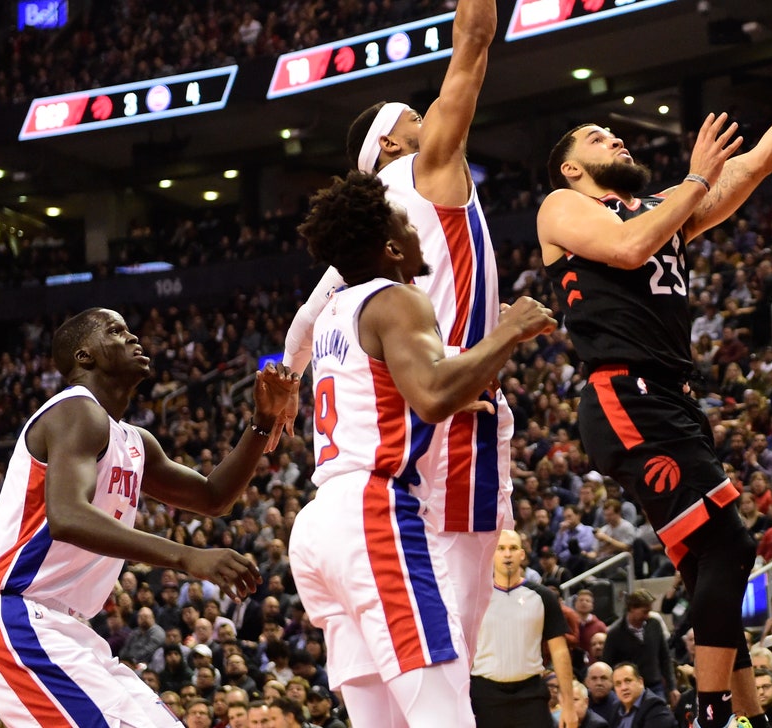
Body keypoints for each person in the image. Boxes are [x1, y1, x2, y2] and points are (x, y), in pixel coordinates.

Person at [536, 26, 772, 728]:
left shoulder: (664, 211)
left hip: (668, 401)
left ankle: (749, 717)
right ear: (571, 168)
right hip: (622, 396)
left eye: (615, 135)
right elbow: (629, 250)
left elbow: (751, 168)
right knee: (729, 545)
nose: (615, 140)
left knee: (709, 563)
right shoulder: (564, 208)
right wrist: (692, 180)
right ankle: (715, 715)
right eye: (597, 138)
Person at [279, 0, 514, 668]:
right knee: (449, 650)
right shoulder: (424, 171)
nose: (427, 115)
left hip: (387, 441)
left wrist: (283, 392)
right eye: (414, 116)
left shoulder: (360, 244)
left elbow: (299, 329)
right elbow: (472, 38)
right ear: (388, 143)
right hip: (455, 408)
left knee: (411, 635)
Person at [285, 172, 556, 728]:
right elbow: (430, 394)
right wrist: (508, 332)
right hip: (375, 515)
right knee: (445, 713)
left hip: (320, 524)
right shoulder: (396, 298)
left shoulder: (337, 309)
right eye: (408, 224)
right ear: (390, 248)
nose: (418, 231)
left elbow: (392, 387)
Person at [0, 308, 294, 726]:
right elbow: (67, 516)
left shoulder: (134, 440)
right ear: (85, 356)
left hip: (68, 628)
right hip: (14, 613)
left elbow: (214, 497)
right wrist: (187, 557)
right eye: (116, 331)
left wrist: (262, 421)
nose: (133, 338)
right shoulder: (74, 410)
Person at [470, 530, 577, 728]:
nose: (507, 554)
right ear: (492, 554)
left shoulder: (544, 597)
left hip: (530, 694)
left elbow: (560, 652)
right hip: (485, 695)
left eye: (512, 548)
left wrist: (568, 706)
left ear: (522, 554)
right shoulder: (476, 597)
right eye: (501, 549)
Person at [612, 662, 678, 728]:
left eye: (628, 681)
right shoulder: (616, 709)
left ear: (640, 682)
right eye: (618, 684)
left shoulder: (656, 707)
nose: (624, 688)